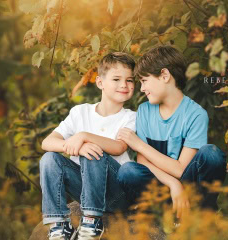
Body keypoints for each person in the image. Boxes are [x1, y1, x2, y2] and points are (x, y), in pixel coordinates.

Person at [117, 45, 226, 220]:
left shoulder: (196, 114)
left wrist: (138, 144)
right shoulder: (144, 111)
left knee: (211, 154)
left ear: (165, 76)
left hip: (188, 186)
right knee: (128, 171)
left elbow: (182, 170)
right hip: (160, 187)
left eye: (144, 81)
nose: (142, 89)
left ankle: (203, 213)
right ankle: (165, 211)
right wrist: (173, 184)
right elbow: (143, 164)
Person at [40, 52, 136, 240]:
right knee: (49, 158)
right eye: (116, 79)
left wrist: (83, 137)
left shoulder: (131, 117)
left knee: (92, 149)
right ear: (100, 82)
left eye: (130, 80)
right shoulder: (80, 112)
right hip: (84, 190)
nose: (124, 85)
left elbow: (118, 147)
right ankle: (59, 225)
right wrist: (76, 145)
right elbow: (47, 142)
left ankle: (92, 221)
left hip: (116, 194)